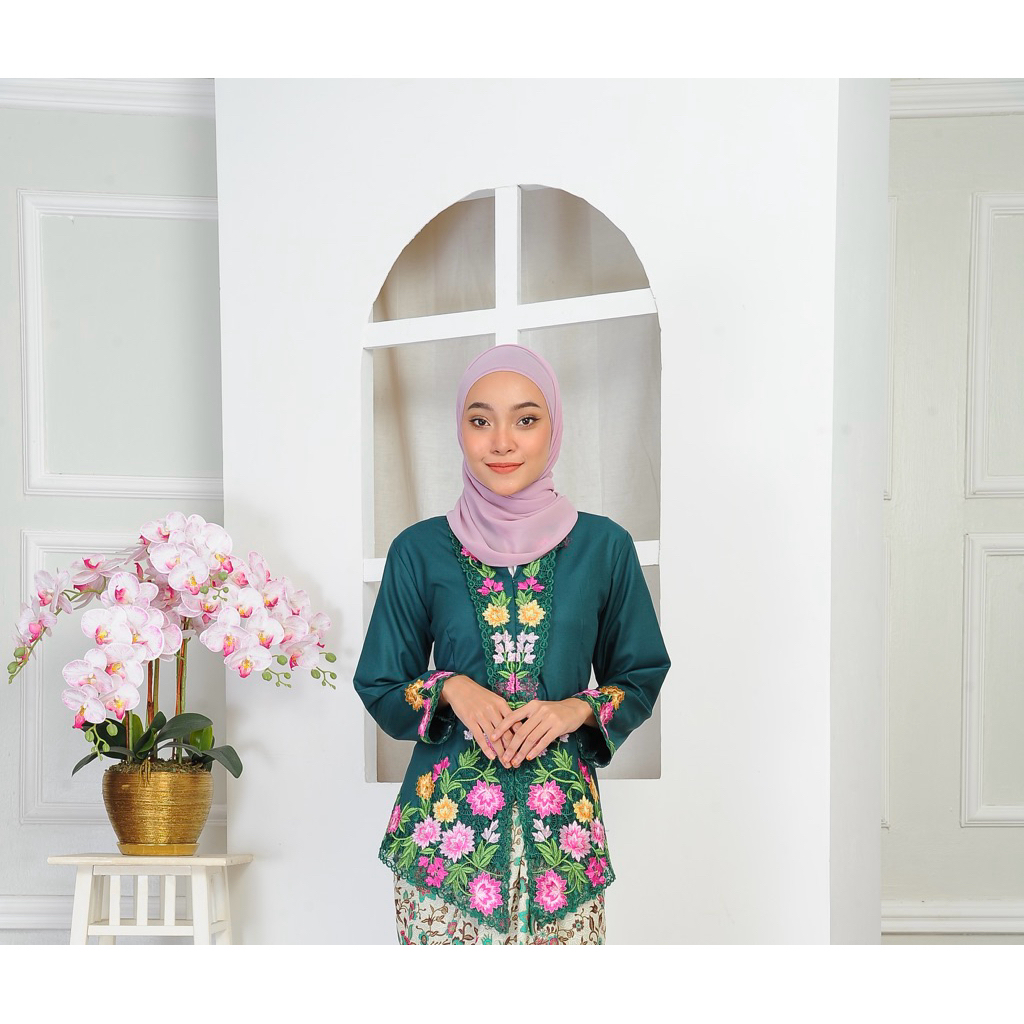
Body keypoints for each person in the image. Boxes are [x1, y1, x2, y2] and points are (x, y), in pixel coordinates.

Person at [353, 344, 670, 944]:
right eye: (481, 421)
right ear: (460, 431)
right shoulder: (418, 550)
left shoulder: (605, 547)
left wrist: (575, 708)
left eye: (526, 419)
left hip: (563, 851)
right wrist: (451, 688)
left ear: (554, 427)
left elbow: (641, 673)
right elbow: (380, 684)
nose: (502, 442)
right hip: (443, 853)